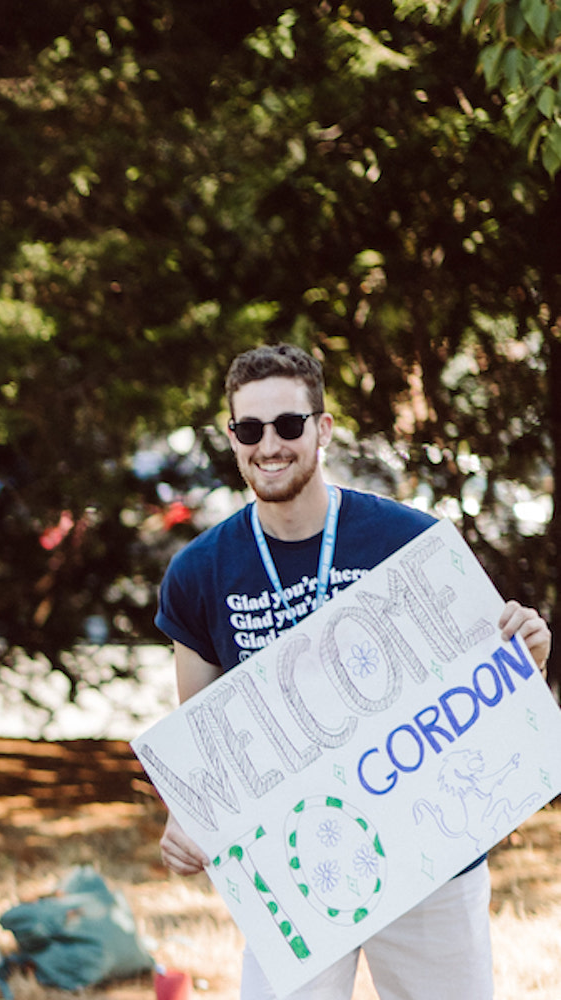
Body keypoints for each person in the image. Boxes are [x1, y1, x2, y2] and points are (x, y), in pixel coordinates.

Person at [154, 344, 551, 1000]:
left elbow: (486, 685)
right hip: (295, 873)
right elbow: (203, 746)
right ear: (232, 437)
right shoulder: (200, 573)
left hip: (432, 861)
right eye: (249, 430)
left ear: (324, 428)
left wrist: (524, 656)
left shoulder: (412, 539)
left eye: (288, 425)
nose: (269, 445)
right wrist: (188, 817)